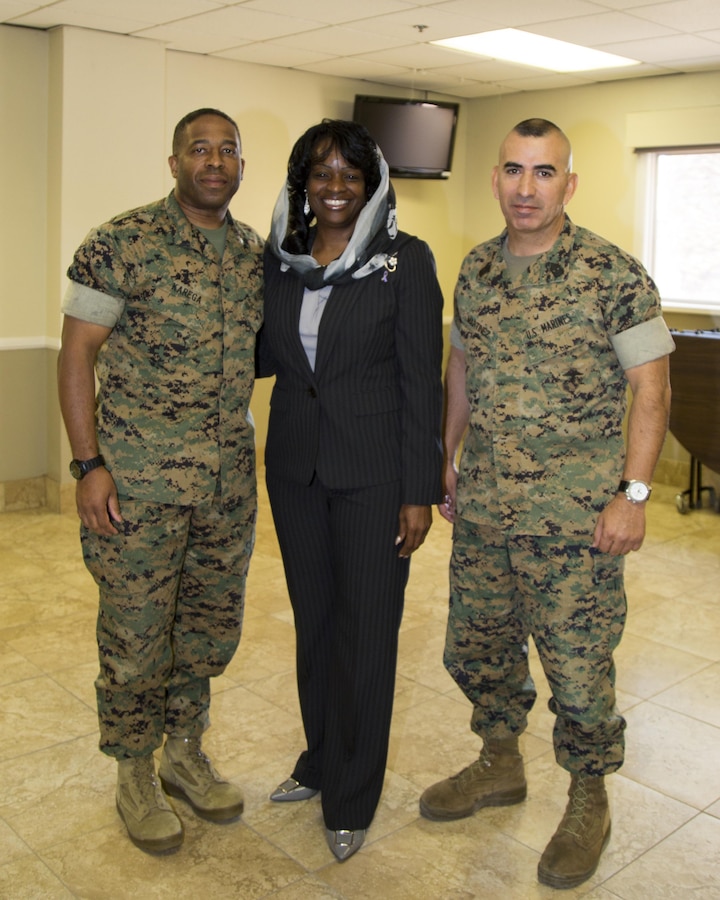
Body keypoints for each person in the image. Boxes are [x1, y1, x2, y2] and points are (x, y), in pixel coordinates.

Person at [419, 118, 674, 890]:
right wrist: (448, 454)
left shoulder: (611, 274)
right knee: (478, 647)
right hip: (489, 509)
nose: (526, 188)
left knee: (578, 667)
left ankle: (588, 797)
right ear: (494, 179)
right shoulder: (477, 271)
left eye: (544, 173)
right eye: (513, 171)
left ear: (569, 184)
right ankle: (500, 762)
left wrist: (632, 495)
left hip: (577, 519)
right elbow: (460, 364)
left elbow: (652, 390)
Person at [57, 108, 264, 854]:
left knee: (206, 630)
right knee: (137, 635)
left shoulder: (251, 255)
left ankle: (184, 750)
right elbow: (76, 356)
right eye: (199, 150)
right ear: (173, 162)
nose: (215, 161)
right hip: (138, 487)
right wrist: (88, 465)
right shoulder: (120, 244)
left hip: (224, 488)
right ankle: (134, 772)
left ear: (242, 166)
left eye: (228, 151)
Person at [257, 119, 443, 861]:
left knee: (366, 633)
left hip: (373, 478)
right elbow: (265, 357)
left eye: (349, 172)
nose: (335, 186)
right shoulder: (282, 261)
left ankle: (352, 793)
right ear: (302, 182)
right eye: (320, 172)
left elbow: (417, 380)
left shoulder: (405, 260)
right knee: (316, 625)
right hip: (296, 471)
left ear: (371, 182)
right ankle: (320, 756)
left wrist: (417, 489)